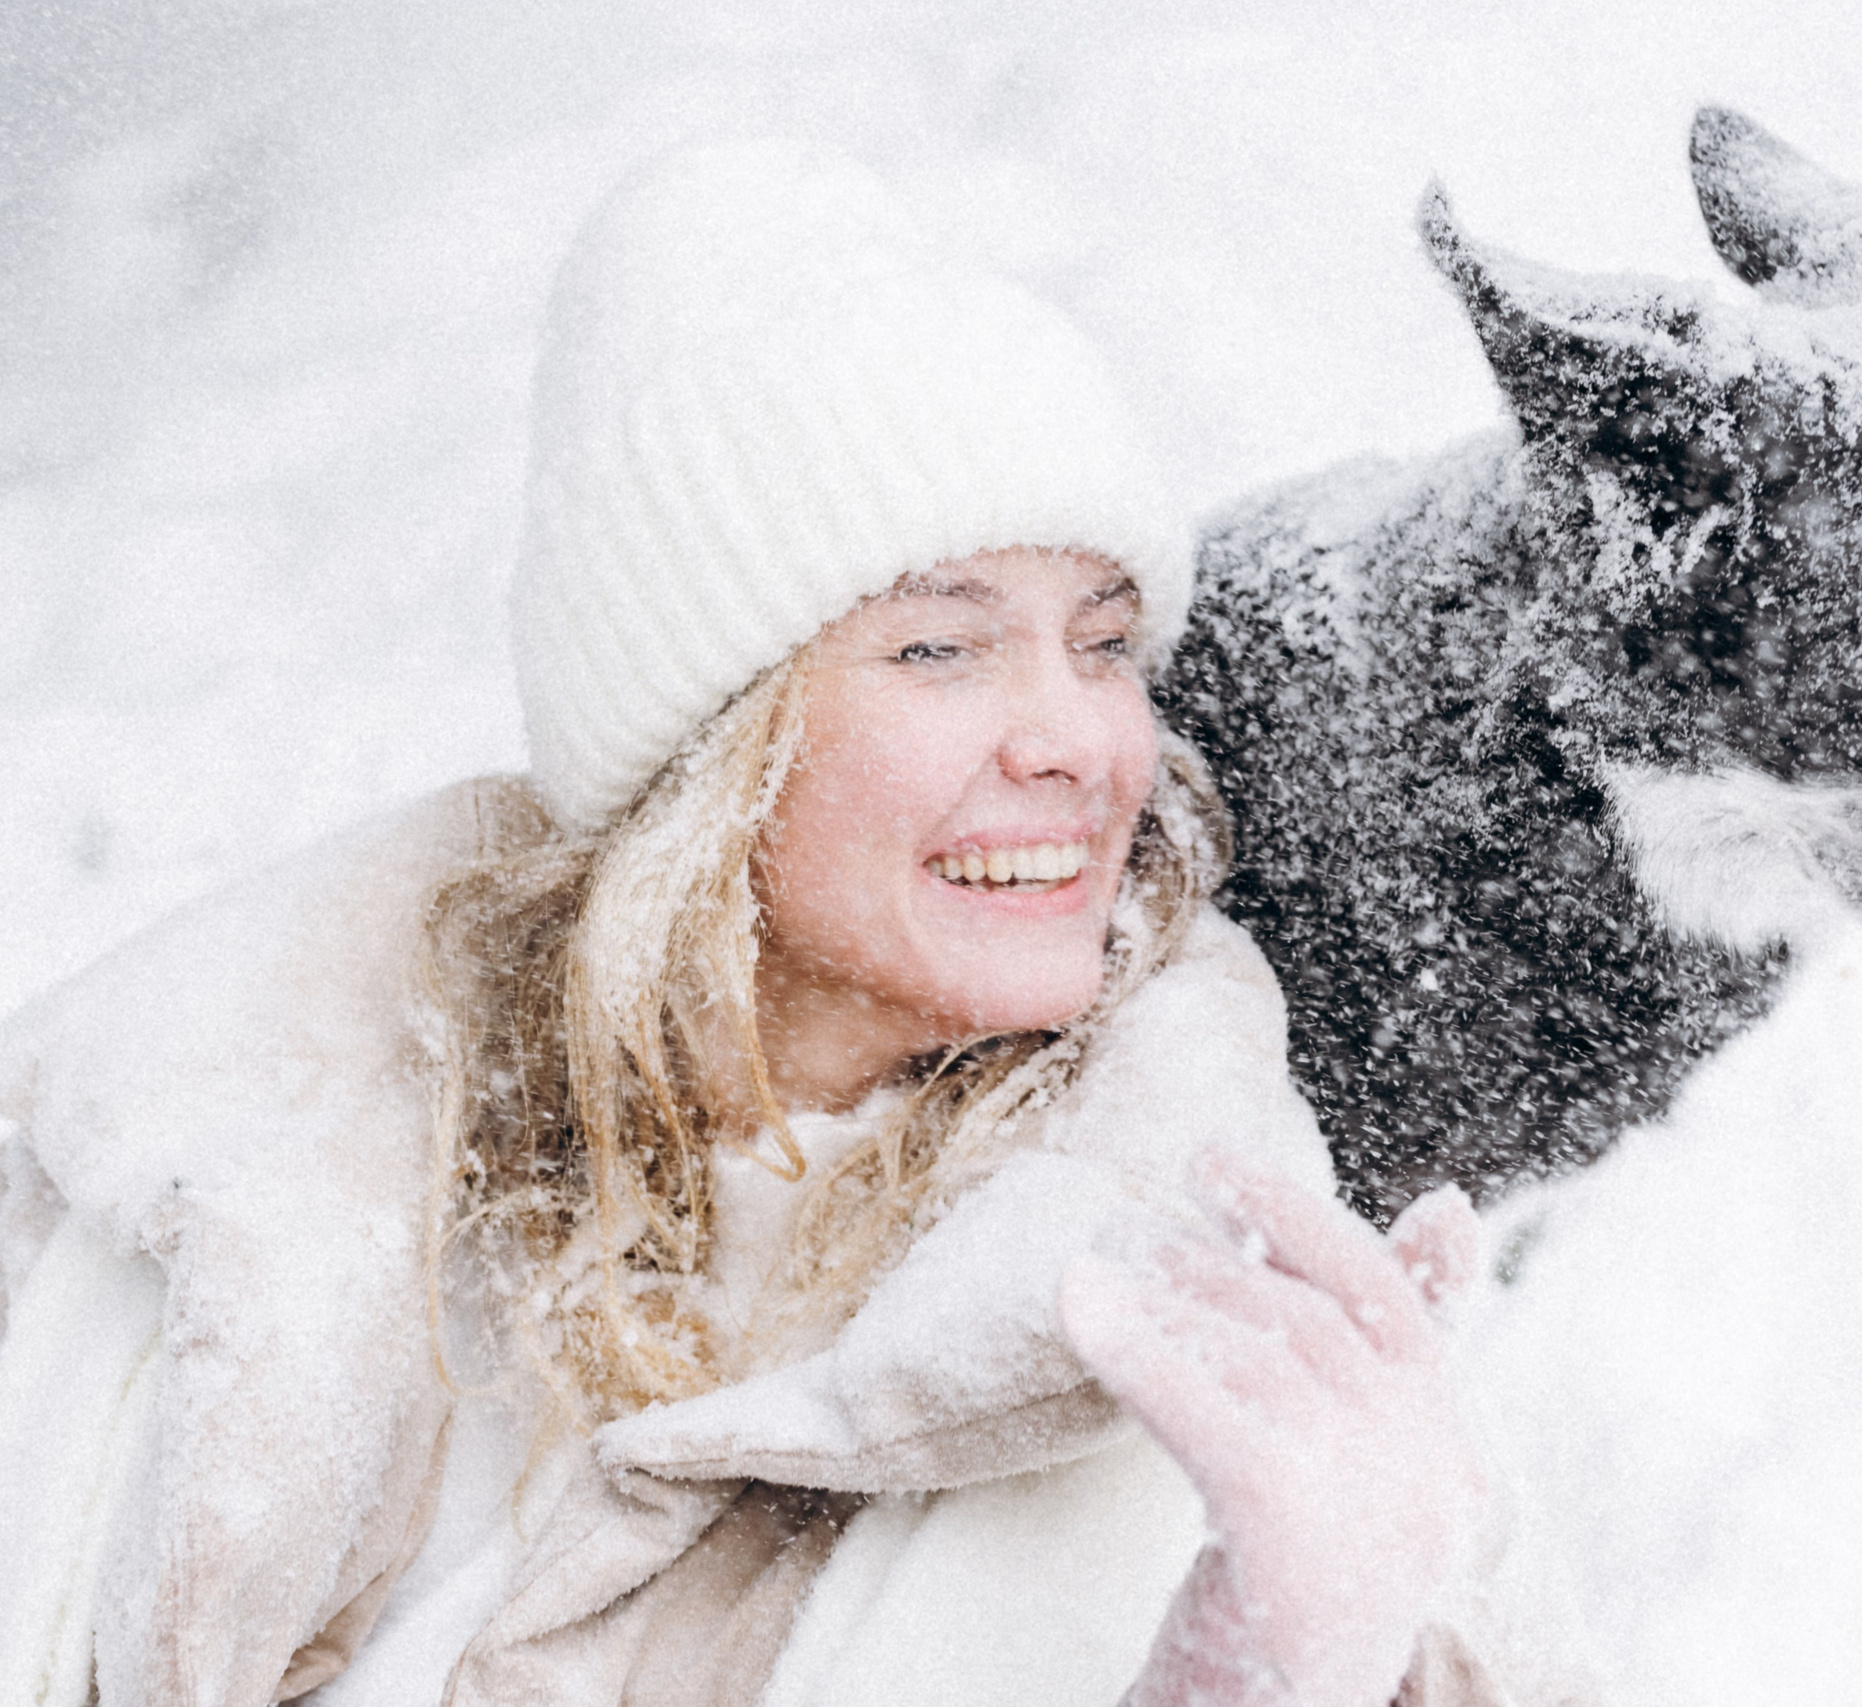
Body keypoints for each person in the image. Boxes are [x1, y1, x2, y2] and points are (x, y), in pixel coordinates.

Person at [0, 142, 1603, 1707]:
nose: (1085, 742)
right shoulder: (242, 1188)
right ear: (713, 746)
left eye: (1104, 644)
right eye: (940, 651)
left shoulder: (1225, 1338)